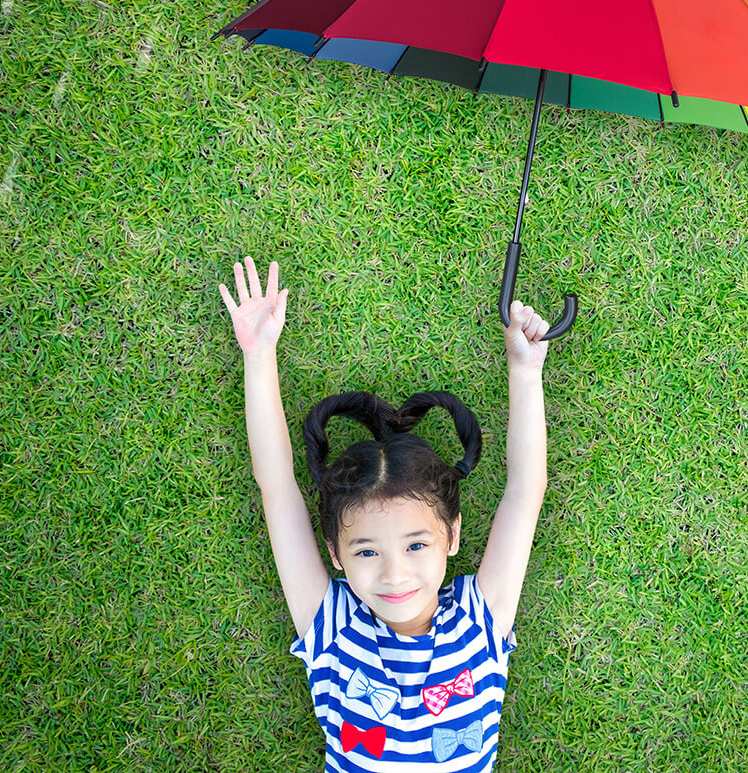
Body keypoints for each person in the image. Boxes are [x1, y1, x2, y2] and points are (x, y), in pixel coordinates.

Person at [219, 255, 551, 771]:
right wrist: (258, 358)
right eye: (367, 550)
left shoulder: (479, 620)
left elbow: (524, 493)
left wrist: (525, 372)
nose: (394, 573)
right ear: (334, 553)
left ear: (453, 536)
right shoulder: (331, 627)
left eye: (416, 544)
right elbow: (277, 488)